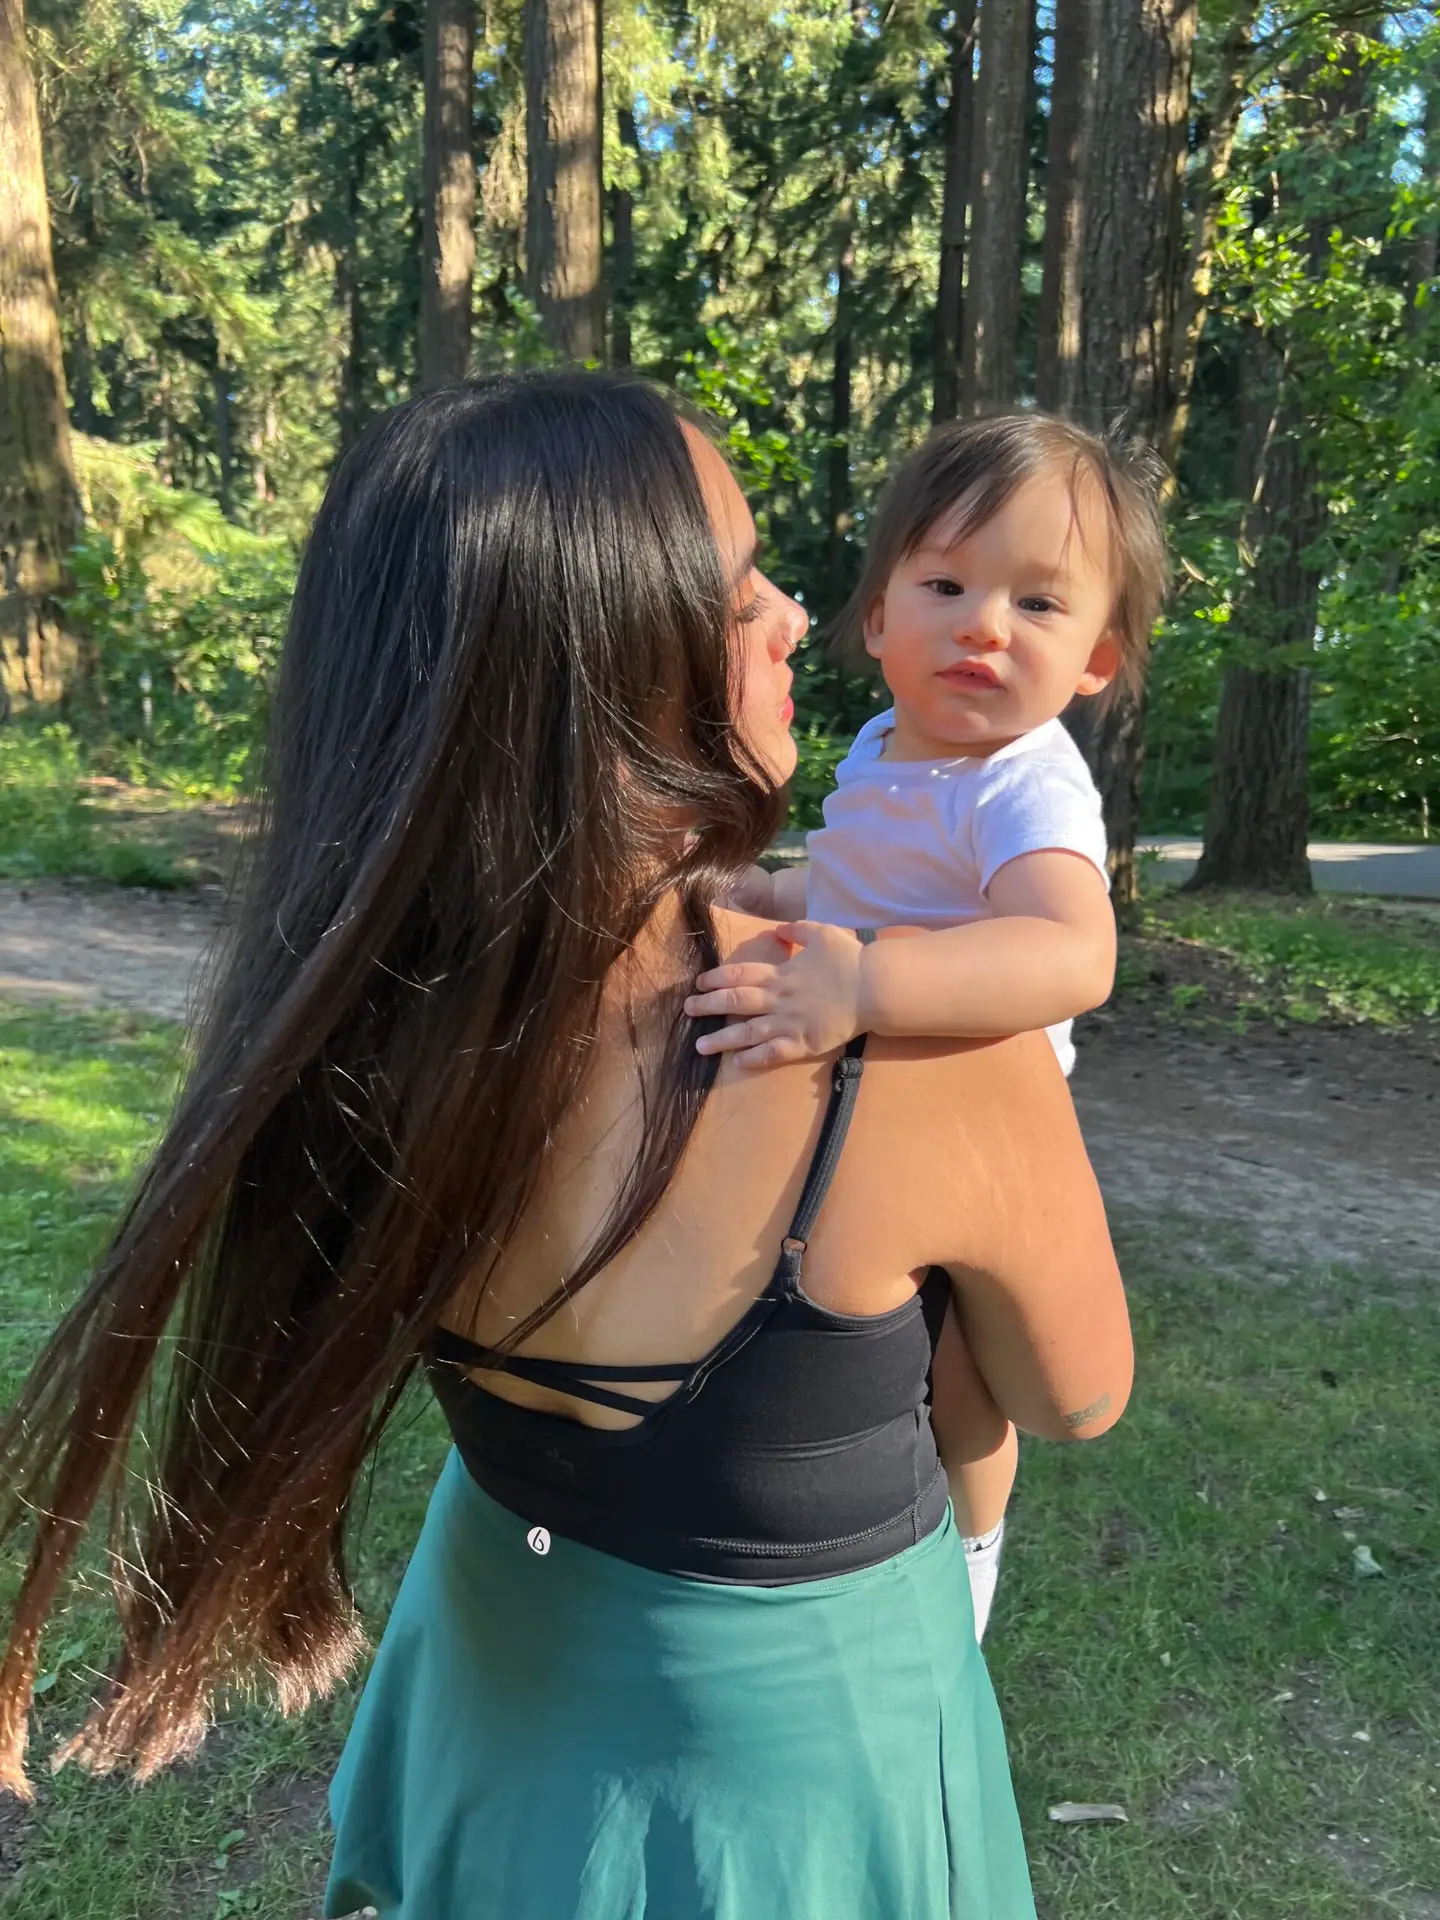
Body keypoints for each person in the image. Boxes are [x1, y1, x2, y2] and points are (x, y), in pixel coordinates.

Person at [0, 374, 1131, 1920]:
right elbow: (1075, 1395)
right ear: (611, 666)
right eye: (741, 592)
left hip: (494, 1677)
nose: (797, 618)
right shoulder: (918, 1047)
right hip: (790, 1784)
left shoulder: (367, 1021)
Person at [686, 413, 1167, 1637]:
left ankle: (974, 1551)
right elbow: (867, 884)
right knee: (868, 1341)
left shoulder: (1025, 782)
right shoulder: (884, 747)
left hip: (986, 1134)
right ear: (879, 619)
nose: (985, 625)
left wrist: (864, 987)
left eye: (1039, 604)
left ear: (1097, 659)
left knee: (962, 1380)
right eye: (946, 585)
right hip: (875, 1101)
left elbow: (1074, 951)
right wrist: (775, 897)